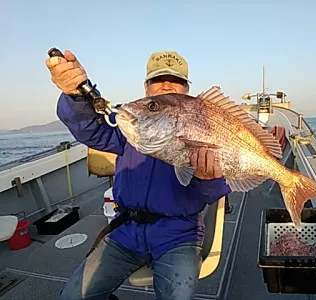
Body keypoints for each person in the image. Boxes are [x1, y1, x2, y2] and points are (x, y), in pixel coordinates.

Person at [46, 50, 232, 300]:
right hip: (125, 230)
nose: (166, 84)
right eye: (157, 79)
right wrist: (74, 94)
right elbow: (91, 127)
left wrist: (207, 179)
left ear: (186, 89)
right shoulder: (129, 122)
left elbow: (213, 192)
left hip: (179, 234)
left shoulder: (204, 125)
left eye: (175, 80)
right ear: (146, 87)